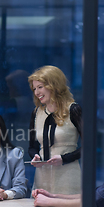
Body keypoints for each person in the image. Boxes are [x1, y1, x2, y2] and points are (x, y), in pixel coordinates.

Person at [28, 65, 82, 195]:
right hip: (42, 177)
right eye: (34, 89)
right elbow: (32, 147)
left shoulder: (73, 110)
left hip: (68, 176)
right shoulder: (36, 113)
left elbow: (89, 146)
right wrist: (35, 157)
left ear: (54, 85)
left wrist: (64, 158)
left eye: (40, 87)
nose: (36, 93)